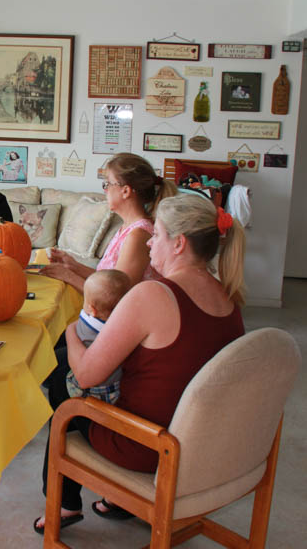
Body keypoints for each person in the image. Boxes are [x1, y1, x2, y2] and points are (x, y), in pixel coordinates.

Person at [34, 194, 246, 534]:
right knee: (69, 369)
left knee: (64, 377)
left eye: (157, 235)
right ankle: (114, 500)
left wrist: (72, 331)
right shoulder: (230, 297)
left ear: (178, 244)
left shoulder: (153, 295)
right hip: (203, 447)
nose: (149, 243)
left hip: (148, 446)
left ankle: (64, 503)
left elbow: (87, 375)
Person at [41, 153, 177, 291]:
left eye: (107, 184)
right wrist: (73, 266)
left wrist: (68, 276)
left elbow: (115, 296)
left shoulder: (139, 235)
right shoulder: (127, 227)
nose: (105, 190)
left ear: (125, 191)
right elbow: (107, 281)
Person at [64, 269, 132, 405]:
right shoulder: (126, 326)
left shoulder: (88, 325)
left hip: (90, 390)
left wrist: (69, 330)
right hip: (114, 387)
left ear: (92, 310)